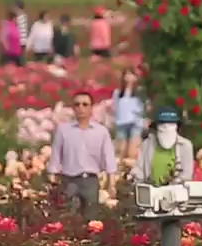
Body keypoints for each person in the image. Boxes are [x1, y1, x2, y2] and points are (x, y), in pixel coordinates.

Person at [48, 90, 118, 218]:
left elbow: (109, 157)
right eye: (77, 104)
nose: (81, 108)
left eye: (85, 104)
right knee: (68, 216)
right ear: (73, 108)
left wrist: (111, 182)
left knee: (91, 217)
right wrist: (53, 176)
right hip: (69, 180)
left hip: (90, 180)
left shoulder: (101, 132)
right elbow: (56, 154)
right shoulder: (64, 130)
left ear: (91, 108)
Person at [132, 106, 194, 186]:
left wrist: (170, 187)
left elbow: (186, 176)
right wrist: (132, 177)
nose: (166, 127)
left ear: (177, 126)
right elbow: (139, 169)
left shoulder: (185, 146)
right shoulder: (147, 144)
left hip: (176, 193)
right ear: (157, 126)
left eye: (171, 124)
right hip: (150, 192)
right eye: (162, 124)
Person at [112, 68, 145, 161]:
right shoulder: (118, 93)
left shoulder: (140, 92)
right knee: (120, 151)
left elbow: (144, 108)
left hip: (136, 124)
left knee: (132, 152)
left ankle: (131, 173)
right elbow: (115, 108)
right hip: (121, 124)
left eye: (131, 74)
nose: (128, 77)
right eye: (126, 74)